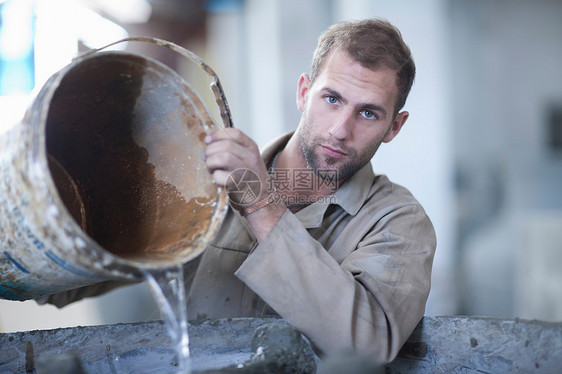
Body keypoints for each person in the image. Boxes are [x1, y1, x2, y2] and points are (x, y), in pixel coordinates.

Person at [42, 18, 435, 364]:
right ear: (303, 92)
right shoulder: (203, 185)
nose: (340, 130)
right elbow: (63, 280)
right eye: (331, 99)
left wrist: (260, 203)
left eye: (368, 113)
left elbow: (367, 345)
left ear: (394, 128)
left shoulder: (397, 221)